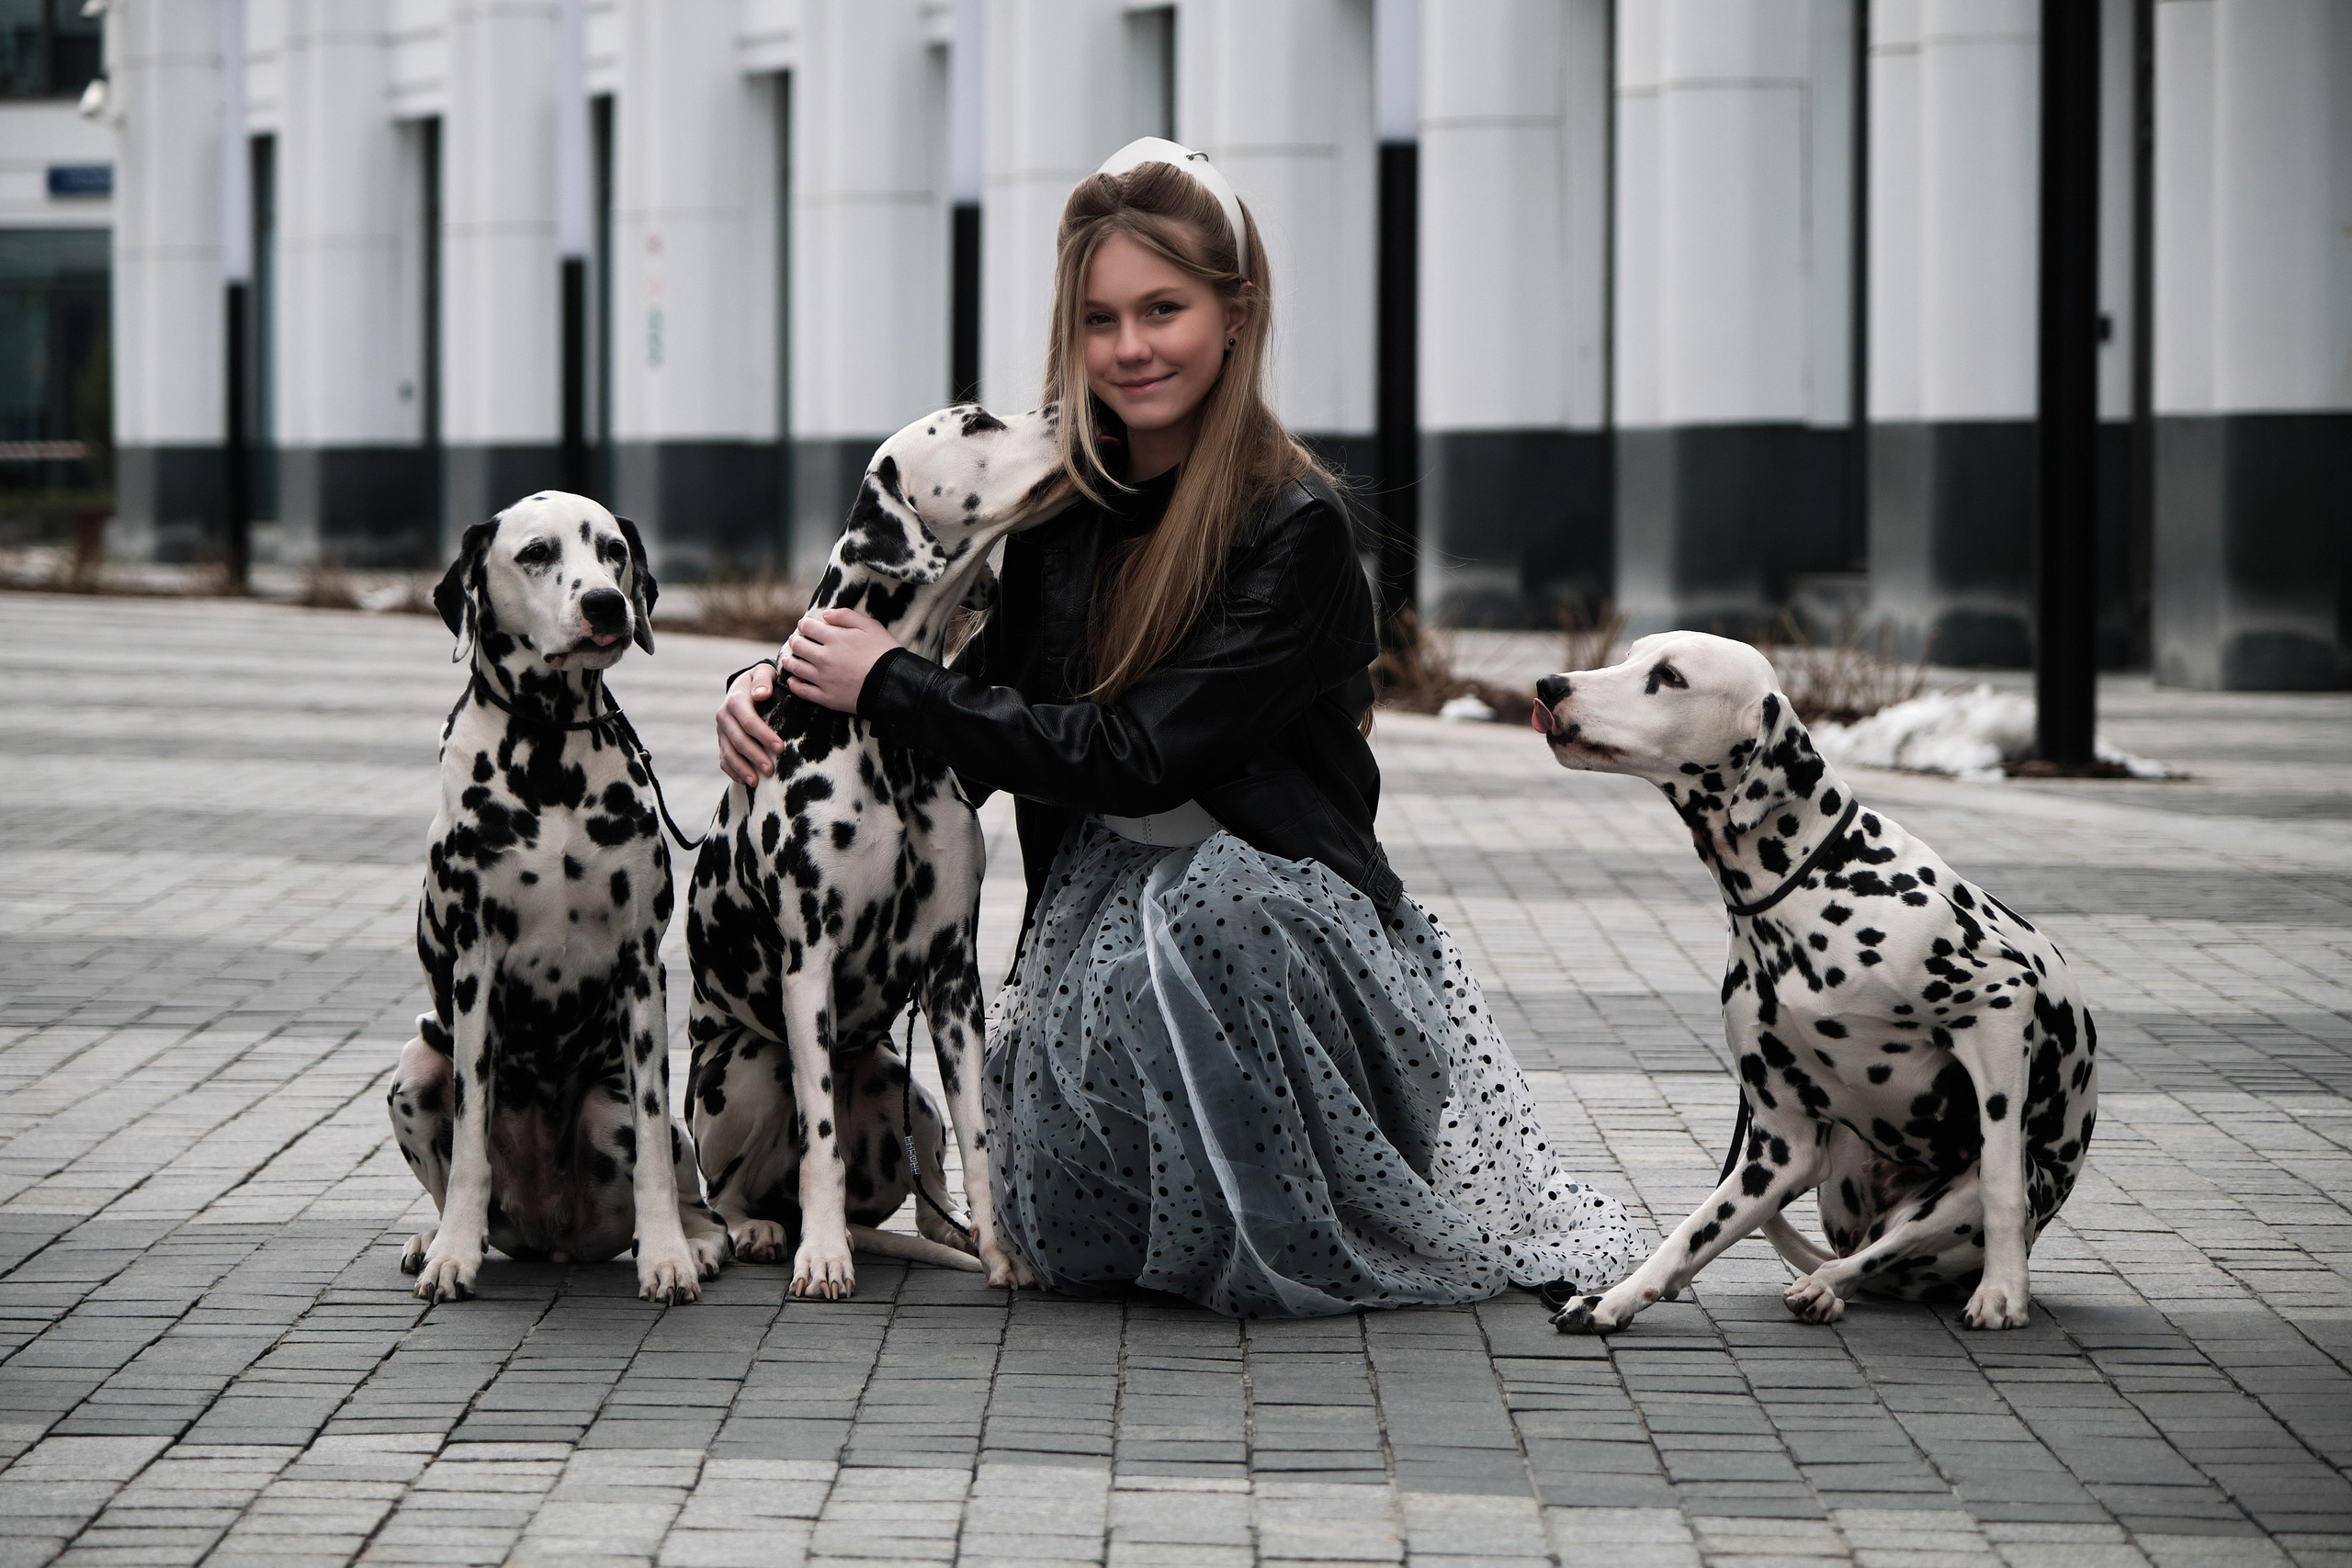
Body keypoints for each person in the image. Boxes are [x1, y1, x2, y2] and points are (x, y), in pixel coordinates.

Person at [713, 138, 1637, 1317]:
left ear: (1235, 316)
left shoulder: (1290, 529)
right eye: (1100, 319)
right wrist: (774, 685)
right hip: (1099, 928)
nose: (1130, 347)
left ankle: (1298, 1202)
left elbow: (1139, 753)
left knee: (1210, 905)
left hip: (1288, 940)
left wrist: (890, 680)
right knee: (1061, 1220)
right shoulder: (1058, 517)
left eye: (1164, 308)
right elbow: (968, 708)